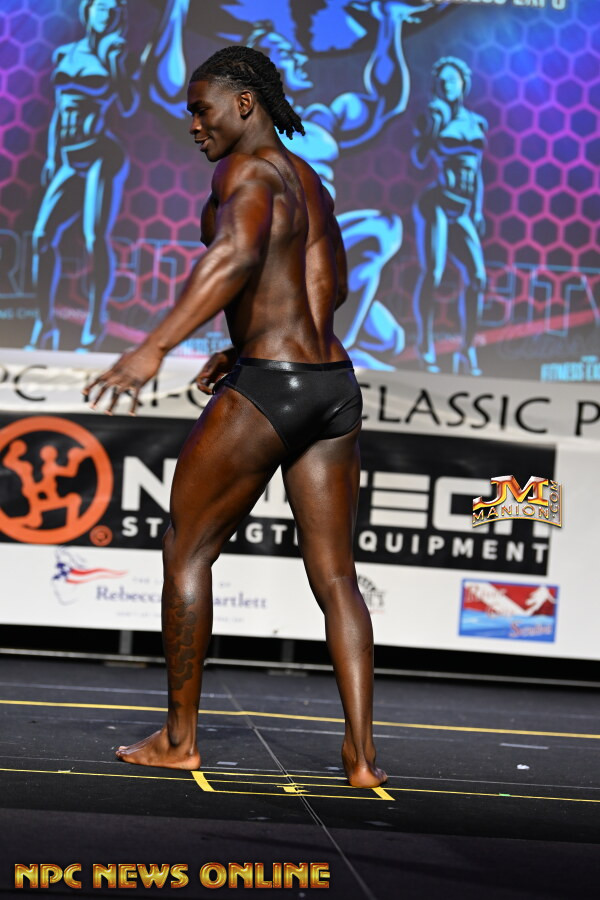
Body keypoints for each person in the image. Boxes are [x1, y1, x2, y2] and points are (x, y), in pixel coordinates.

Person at [83, 44, 386, 788]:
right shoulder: (309, 179)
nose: (193, 124)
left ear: (244, 104)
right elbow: (334, 284)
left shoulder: (243, 171)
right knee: (337, 578)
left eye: (201, 108)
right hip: (332, 384)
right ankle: (361, 758)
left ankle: (179, 739)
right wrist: (243, 340)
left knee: (186, 550)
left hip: (271, 386)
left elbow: (237, 255)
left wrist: (154, 348)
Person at [412, 57, 487, 376]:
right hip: (438, 203)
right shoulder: (433, 116)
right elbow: (418, 159)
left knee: (478, 277)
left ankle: (467, 350)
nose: (447, 85)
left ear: (463, 83)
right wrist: (432, 130)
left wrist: (478, 209)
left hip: (464, 209)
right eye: (441, 81)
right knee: (435, 273)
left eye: (452, 80)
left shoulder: (477, 122)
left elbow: (478, 169)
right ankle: (425, 346)